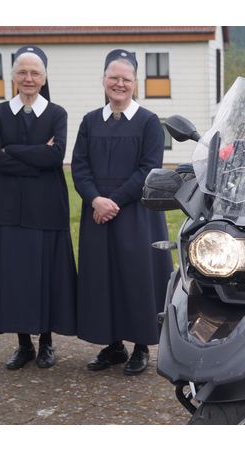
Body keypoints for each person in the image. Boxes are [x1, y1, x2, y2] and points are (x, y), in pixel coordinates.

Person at [71, 49, 173, 376]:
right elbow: (80, 168)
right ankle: (112, 345)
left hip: (136, 215)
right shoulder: (89, 122)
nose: (119, 84)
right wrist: (94, 200)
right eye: (113, 78)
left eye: (126, 79)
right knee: (103, 280)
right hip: (98, 214)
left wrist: (111, 201)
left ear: (135, 83)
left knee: (136, 279)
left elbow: (148, 169)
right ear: (103, 80)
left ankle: (141, 346)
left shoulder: (149, 123)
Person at [0, 45, 76, 370]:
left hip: (46, 208)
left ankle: (46, 343)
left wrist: (13, 151)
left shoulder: (57, 114)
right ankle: (23, 345)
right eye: (22, 72)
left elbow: (55, 157)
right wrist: (36, 155)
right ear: (13, 77)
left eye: (35, 73)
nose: (28, 78)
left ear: (44, 77)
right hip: (5, 209)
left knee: (45, 276)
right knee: (15, 277)